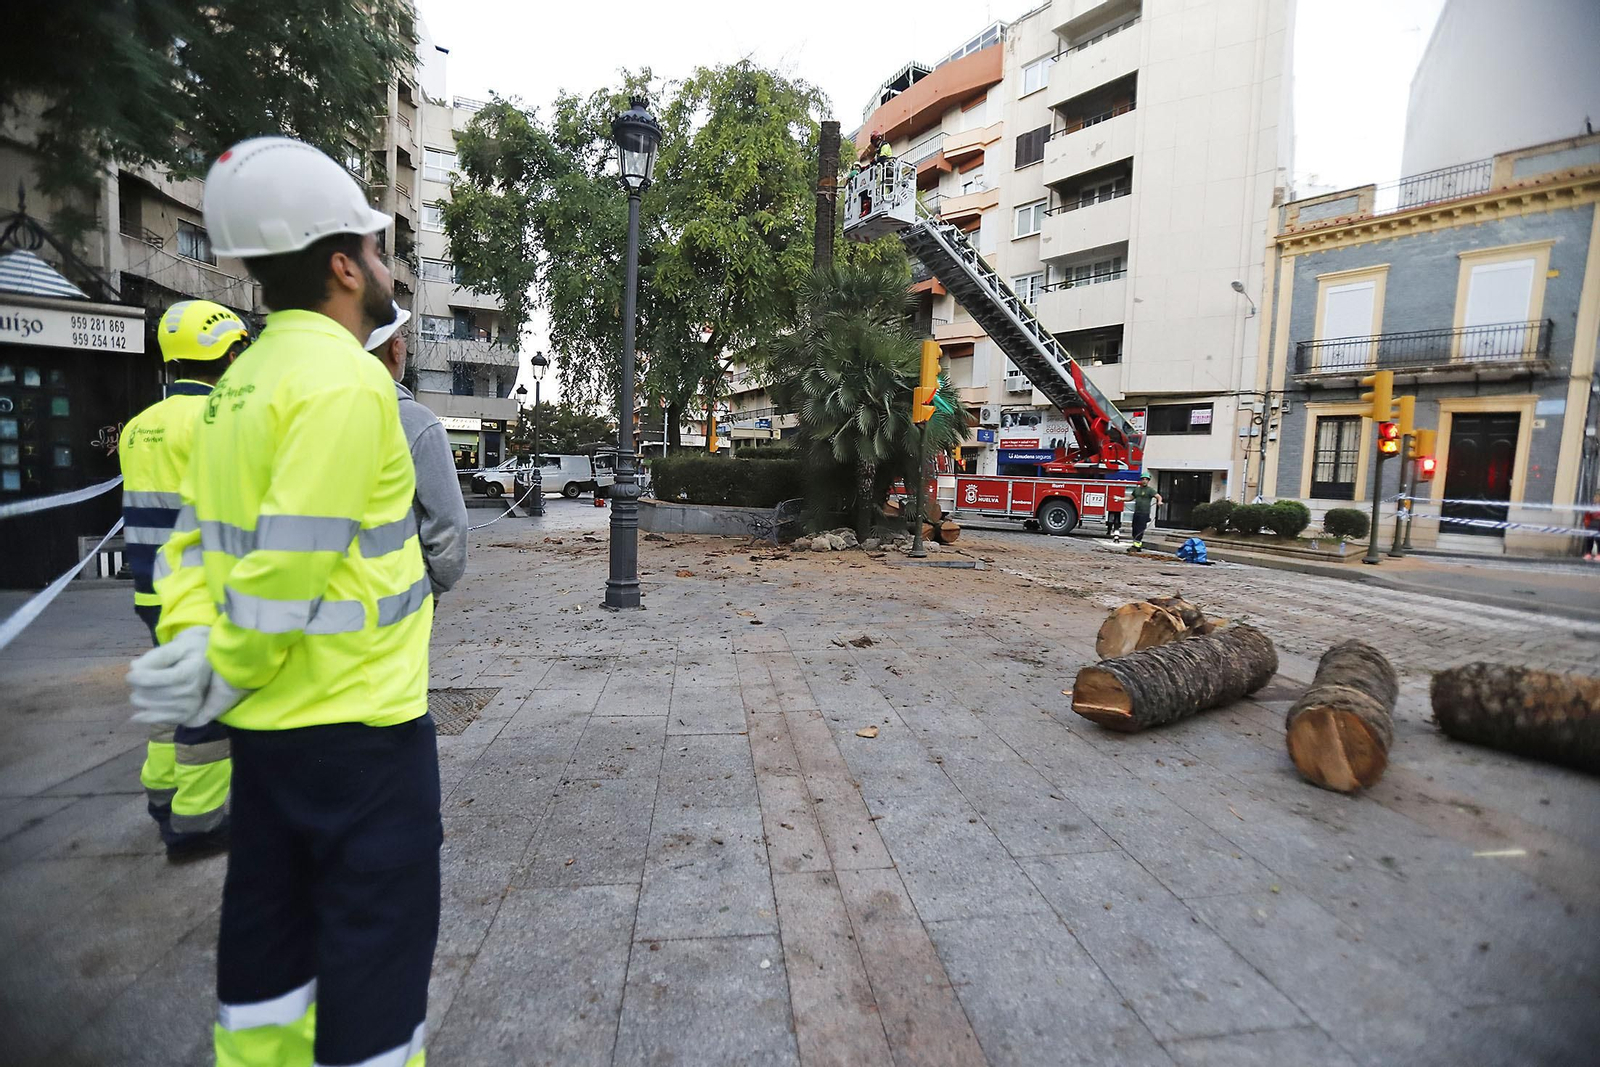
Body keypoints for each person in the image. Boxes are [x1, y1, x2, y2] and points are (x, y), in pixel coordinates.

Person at [126, 136, 438, 1067]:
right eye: (376, 251)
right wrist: (226, 661)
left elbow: (191, 542)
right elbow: (294, 565)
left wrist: (193, 649)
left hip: (267, 738)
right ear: (342, 266)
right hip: (363, 734)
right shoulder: (345, 382)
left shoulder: (239, 386)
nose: (385, 268)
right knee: (374, 962)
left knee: (269, 956)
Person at [120, 299, 249, 859]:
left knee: (174, 695)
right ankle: (196, 824)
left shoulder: (138, 425)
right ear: (226, 351)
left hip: (149, 587)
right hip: (199, 589)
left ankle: (161, 795)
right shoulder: (218, 421)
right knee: (205, 707)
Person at [366, 304, 468, 595]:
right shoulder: (416, 423)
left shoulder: (316, 413)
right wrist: (432, 586)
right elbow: (450, 524)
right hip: (399, 595)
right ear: (396, 349)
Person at [1127, 474, 1162, 551]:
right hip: (1137, 512)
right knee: (1134, 529)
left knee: (1140, 529)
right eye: (1143, 479)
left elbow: (1158, 496)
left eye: (1146, 479)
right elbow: (1130, 498)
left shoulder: (1150, 490)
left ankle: (1137, 546)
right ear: (1141, 480)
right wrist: (1120, 499)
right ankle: (1136, 545)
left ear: (1148, 481)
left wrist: (1159, 502)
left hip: (1144, 513)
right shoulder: (1137, 490)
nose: (1144, 481)